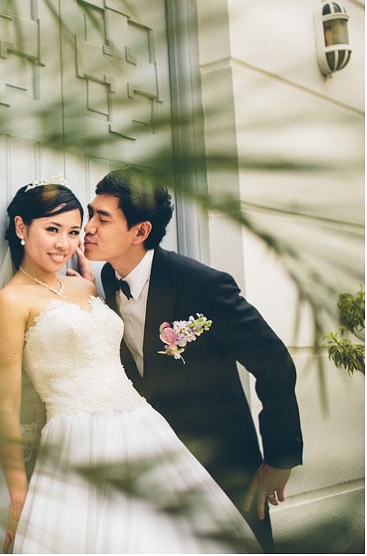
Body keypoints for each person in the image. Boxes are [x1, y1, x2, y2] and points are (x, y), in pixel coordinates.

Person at [0, 175, 259, 553]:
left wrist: (79, 286)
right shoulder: (11, 302)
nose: (65, 243)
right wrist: (18, 495)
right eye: (52, 229)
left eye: (73, 231)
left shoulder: (87, 285)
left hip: (141, 426)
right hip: (76, 439)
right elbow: (6, 406)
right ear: (21, 227)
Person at [82, 168, 304, 553]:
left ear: (140, 231)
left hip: (222, 460)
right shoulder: (105, 277)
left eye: (103, 218)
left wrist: (280, 457)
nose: (88, 228)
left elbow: (275, 363)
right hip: (153, 463)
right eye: (91, 213)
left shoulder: (203, 285)